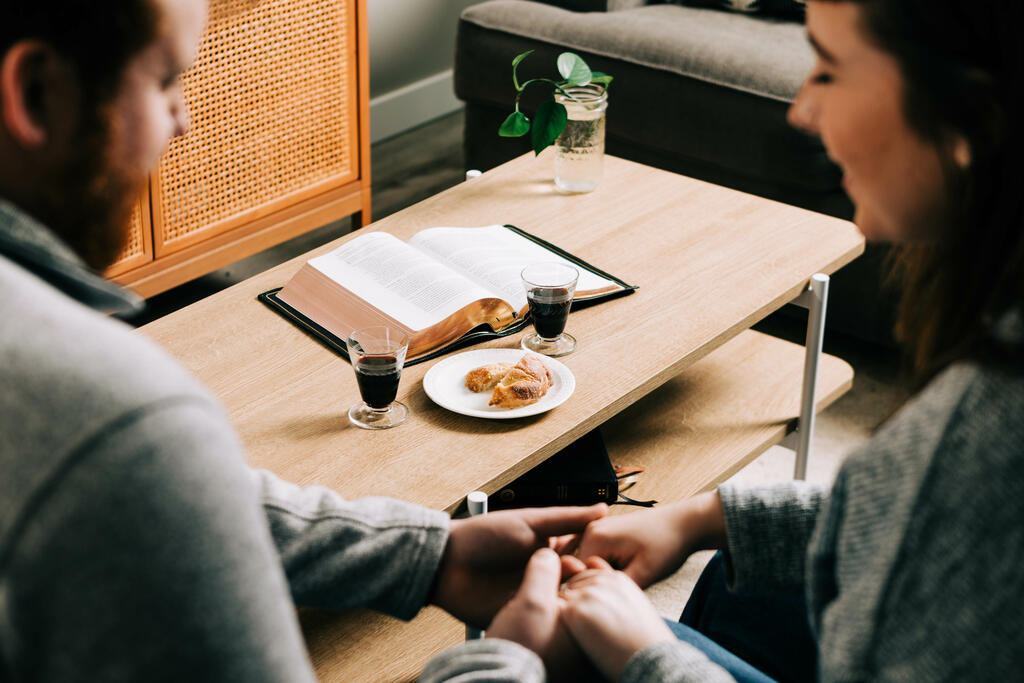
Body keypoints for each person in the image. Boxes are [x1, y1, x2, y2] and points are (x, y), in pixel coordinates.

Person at [0, 1, 607, 680]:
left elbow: (169, 498)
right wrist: (510, 658)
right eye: (165, 80)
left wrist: (424, 555)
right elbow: (140, 468)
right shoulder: (122, 418)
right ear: (34, 93)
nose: (185, 121)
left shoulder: (115, 448)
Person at [426, 0, 1024, 680]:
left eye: (829, 70)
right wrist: (698, 519)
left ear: (966, 115)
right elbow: (915, 513)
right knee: (738, 575)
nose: (801, 109)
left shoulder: (991, 436)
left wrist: (647, 656)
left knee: (576, 644)